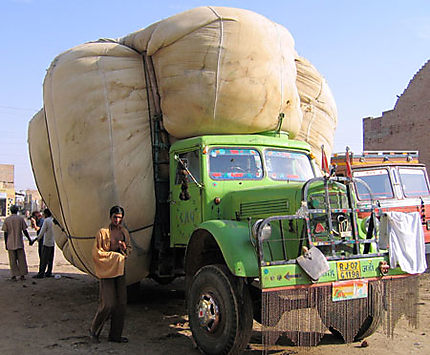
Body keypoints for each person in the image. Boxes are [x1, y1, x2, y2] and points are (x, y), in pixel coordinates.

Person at [89, 205, 131, 344]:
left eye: (119, 218)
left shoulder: (124, 232)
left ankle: (115, 335)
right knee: (107, 303)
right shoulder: (102, 233)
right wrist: (115, 256)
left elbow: (128, 252)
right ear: (110, 217)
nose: (117, 220)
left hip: (120, 270)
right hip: (107, 270)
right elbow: (97, 253)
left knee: (121, 303)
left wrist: (124, 249)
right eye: (115, 217)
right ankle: (94, 330)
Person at [2, 205, 33, 281]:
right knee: (21, 259)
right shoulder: (20, 219)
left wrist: (6, 243)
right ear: (17, 211)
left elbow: (5, 233)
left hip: (10, 242)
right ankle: (22, 275)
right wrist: (29, 239)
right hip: (19, 242)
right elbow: (25, 230)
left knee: (12, 260)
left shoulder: (7, 220)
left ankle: (14, 275)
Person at [32, 208, 55, 278]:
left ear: (46, 214)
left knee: (44, 259)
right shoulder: (53, 220)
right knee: (50, 259)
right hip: (52, 242)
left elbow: (42, 232)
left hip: (46, 242)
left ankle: (41, 273)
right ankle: (49, 272)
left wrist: (36, 239)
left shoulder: (46, 221)